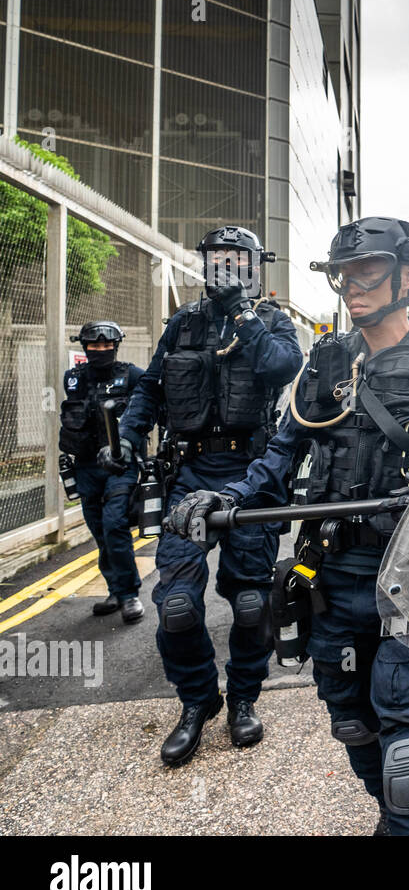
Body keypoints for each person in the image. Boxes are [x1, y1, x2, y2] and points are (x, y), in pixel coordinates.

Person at [169, 217, 409, 835]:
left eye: (366, 271)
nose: (351, 285)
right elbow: (278, 456)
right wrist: (227, 494)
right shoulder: (323, 366)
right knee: (354, 726)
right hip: (333, 580)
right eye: (343, 273)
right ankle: (401, 818)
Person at [118, 226, 300, 767]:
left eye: (236, 261)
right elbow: (151, 385)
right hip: (189, 475)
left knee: (249, 604)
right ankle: (197, 701)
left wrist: (242, 314)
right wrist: (129, 432)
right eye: (217, 260)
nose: (226, 269)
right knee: (175, 606)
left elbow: (282, 367)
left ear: (255, 267)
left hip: (253, 475)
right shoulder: (183, 324)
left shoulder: (271, 321)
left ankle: (244, 697)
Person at [59, 321, 145, 622]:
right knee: (99, 530)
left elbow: (152, 409)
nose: (101, 350)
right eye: (94, 346)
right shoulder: (73, 378)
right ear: (85, 347)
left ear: (116, 345)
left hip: (120, 465)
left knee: (114, 524)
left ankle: (130, 595)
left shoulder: (132, 375)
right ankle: (116, 589)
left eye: (107, 345)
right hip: (85, 466)